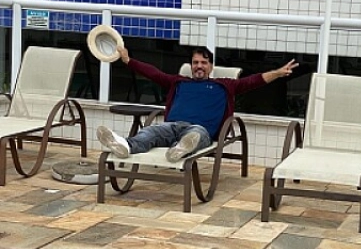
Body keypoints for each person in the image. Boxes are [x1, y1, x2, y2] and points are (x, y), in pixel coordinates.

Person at [97, 46, 298, 162]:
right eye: (195, 63)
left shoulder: (224, 85)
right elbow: (153, 73)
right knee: (151, 131)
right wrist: (128, 60)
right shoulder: (178, 82)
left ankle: (182, 147)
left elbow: (253, 81)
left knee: (195, 134)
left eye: (203, 63)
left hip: (201, 130)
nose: (199, 66)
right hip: (172, 126)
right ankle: (124, 145)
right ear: (191, 66)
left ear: (211, 66)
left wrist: (278, 73)